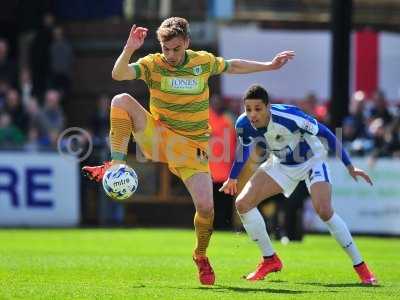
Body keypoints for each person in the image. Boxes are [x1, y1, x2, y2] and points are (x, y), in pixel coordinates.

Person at [82, 17, 294, 285]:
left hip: (191, 148)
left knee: (207, 209)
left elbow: (233, 65)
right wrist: (129, 49)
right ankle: (115, 164)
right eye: (165, 49)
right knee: (120, 100)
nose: (170, 55)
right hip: (158, 136)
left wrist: (269, 65)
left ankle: (201, 255)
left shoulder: (202, 62)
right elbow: (118, 74)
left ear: (187, 44)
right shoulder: (152, 64)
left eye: (176, 49)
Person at [220, 84, 377, 285]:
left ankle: (362, 268)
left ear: (268, 106)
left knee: (324, 211)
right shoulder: (243, 123)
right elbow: (243, 150)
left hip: (312, 161)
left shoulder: (290, 117)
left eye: (258, 109)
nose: (252, 114)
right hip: (281, 164)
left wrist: (350, 166)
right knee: (242, 203)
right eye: (248, 109)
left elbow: (327, 133)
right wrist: (233, 177)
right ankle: (270, 259)